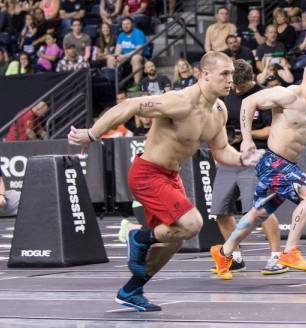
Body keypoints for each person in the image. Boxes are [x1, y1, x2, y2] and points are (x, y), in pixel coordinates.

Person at [68, 51, 263, 311]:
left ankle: (132, 289)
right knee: (192, 223)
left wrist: (243, 160)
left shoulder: (219, 110)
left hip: (172, 176)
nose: (231, 79)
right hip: (147, 173)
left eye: (231, 74)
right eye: (224, 74)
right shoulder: (179, 101)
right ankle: (138, 237)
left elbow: (221, 149)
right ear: (204, 75)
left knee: (174, 239)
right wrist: (92, 135)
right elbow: (130, 106)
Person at [210, 60, 306, 280]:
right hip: (272, 160)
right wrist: (247, 138)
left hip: (290, 164)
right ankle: (290, 251)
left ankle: (224, 252)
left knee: (259, 212)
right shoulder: (287, 95)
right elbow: (249, 102)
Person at [210, 59, 288, 276]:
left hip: (256, 158)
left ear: (250, 79)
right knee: (220, 210)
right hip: (229, 158)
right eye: (233, 85)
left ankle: (276, 257)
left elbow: (272, 130)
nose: (235, 89)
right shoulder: (227, 94)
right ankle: (235, 258)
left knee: (259, 209)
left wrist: (245, 134)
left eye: (240, 86)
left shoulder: (265, 97)